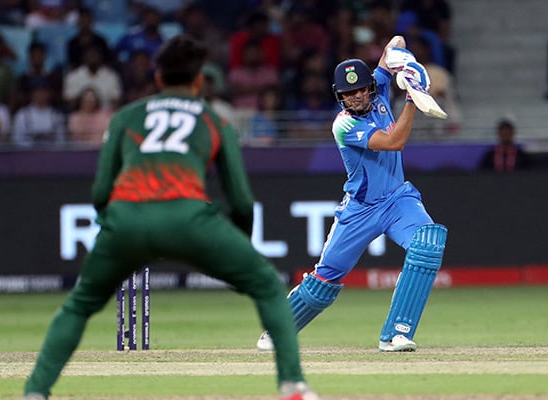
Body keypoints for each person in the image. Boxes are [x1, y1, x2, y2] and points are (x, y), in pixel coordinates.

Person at [22, 35, 319, 400]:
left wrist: (114, 229)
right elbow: (241, 201)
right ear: (199, 81)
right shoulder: (214, 120)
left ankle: (35, 392)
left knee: (80, 304)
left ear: (158, 78)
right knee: (269, 287)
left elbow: (100, 191)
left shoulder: (127, 116)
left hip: (126, 219)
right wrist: (240, 250)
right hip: (189, 219)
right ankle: (292, 385)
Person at [256, 35, 448, 353]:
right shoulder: (343, 126)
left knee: (428, 243)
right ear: (340, 97)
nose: (356, 96)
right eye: (348, 93)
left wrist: (406, 62)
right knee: (325, 281)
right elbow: (393, 142)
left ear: (370, 86)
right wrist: (414, 97)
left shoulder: (381, 87)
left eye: (360, 89)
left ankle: (397, 333)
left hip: (398, 199)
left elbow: (395, 42)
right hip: (360, 209)